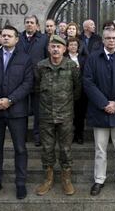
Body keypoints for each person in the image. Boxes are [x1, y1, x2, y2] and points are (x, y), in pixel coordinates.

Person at [0, 25, 34, 200]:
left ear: (17, 39)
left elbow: (27, 83)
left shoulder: (25, 59)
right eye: (3, 35)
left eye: (9, 36)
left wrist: (9, 100)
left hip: (17, 111)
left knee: (20, 148)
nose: (5, 38)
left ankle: (20, 183)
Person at [83, 28, 115, 197]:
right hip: (100, 111)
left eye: (114, 38)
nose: (111, 41)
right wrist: (104, 103)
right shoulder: (93, 58)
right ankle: (99, 179)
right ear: (103, 40)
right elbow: (88, 83)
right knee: (100, 149)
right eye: (108, 38)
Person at [34, 35, 81, 196]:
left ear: (64, 49)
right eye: (53, 46)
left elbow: (77, 90)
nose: (55, 49)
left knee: (66, 149)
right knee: (47, 148)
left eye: (58, 47)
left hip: (66, 115)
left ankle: (66, 179)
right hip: (46, 115)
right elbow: (36, 88)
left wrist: (65, 104)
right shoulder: (41, 66)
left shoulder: (71, 66)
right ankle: (48, 179)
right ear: (49, 48)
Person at [17, 14, 49, 147]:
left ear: (37, 25)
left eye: (32, 22)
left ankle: (38, 136)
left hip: (38, 79)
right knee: (21, 110)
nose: (29, 24)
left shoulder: (44, 39)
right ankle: (21, 136)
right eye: (27, 22)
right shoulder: (18, 38)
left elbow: (48, 58)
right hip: (20, 79)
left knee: (38, 111)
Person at [65, 37, 88, 144]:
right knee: (69, 116)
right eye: (71, 45)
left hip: (81, 92)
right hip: (67, 91)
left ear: (78, 46)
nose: (73, 46)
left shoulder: (84, 58)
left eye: (75, 45)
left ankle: (79, 135)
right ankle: (70, 135)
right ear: (67, 47)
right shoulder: (64, 58)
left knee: (80, 115)